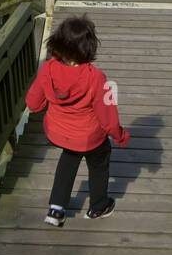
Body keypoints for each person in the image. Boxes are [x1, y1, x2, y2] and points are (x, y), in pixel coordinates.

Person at [25, 15, 130, 226]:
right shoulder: (96, 77)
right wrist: (120, 135)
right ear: (89, 47)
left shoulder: (47, 69)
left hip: (59, 133)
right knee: (99, 161)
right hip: (90, 137)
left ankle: (56, 209)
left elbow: (33, 104)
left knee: (69, 158)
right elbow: (107, 117)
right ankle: (99, 205)